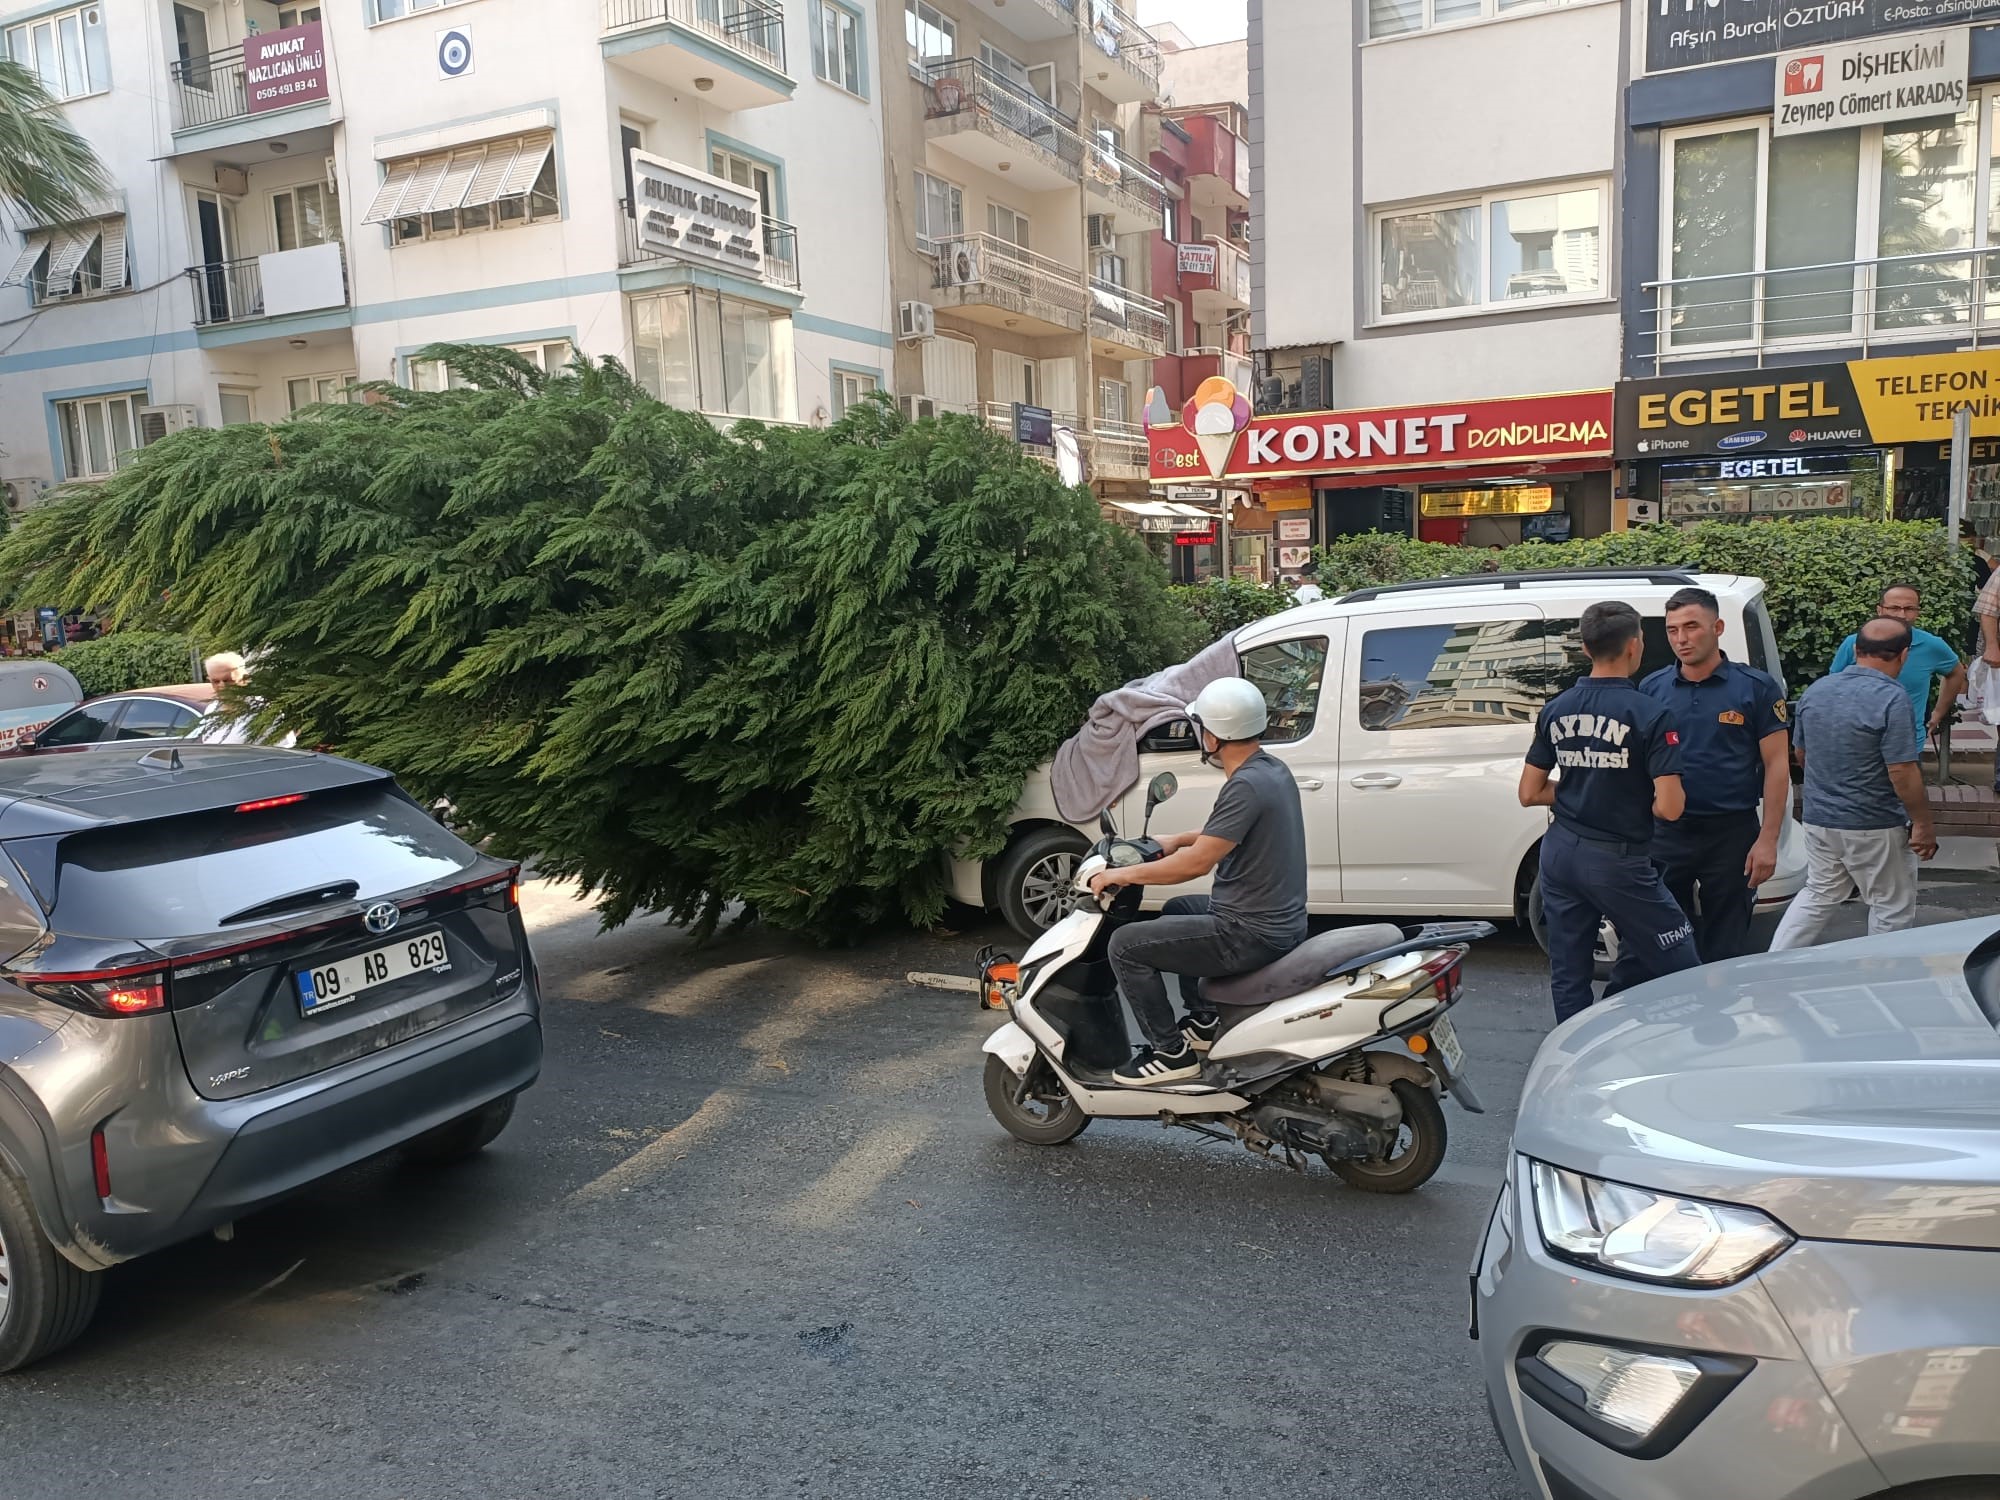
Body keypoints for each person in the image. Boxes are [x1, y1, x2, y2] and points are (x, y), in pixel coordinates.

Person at [1095, 677, 1306, 1086]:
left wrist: (1121, 873)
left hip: (1249, 932)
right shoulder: (1270, 770)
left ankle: (1171, 1053)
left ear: (1214, 735)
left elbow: (1195, 865)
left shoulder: (1246, 784)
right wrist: (1175, 839)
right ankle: (1205, 1021)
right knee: (1179, 909)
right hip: (1271, 920)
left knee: (1125, 946)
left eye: (1202, 727)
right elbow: (1219, 837)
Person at [1519, 601, 1700, 1024]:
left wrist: (1585, 786)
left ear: (1585, 648)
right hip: (1617, 860)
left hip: (1559, 852)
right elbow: (1670, 807)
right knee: (1680, 955)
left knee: (1569, 970)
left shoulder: (1557, 708)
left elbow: (1530, 792)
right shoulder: (1650, 713)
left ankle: (1573, 1057)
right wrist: (1623, 788)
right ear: (1636, 646)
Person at [1608, 586, 1789, 979]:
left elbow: (1777, 766)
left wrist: (1768, 840)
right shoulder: (1652, 688)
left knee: (1726, 946)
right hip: (1666, 832)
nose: (1681, 639)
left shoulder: (1755, 688)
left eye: (1691, 627)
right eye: (1672, 630)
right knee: (1664, 940)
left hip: (1731, 833)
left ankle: (1718, 1029)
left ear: (1718, 627)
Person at [1771, 617, 1937, 949]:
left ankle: (1772, 964)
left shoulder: (1818, 690)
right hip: (1874, 822)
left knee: (1819, 893)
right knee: (1890, 906)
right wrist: (1922, 822)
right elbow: (1901, 771)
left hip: (1820, 819)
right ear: (1904, 655)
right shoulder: (1892, 697)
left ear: (1856, 649)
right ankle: (1882, 980)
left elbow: (1801, 754)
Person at [1827, 584, 1964, 752]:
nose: (1902, 615)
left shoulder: (1931, 646)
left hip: (1907, 744)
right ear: (1880, 610)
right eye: (1894, 608)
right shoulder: (1854, 643)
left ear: (1917, 612)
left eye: (1909, 608)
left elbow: (1956, 672)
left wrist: (1938, 713)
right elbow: (1832, 688)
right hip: (1856, 744)